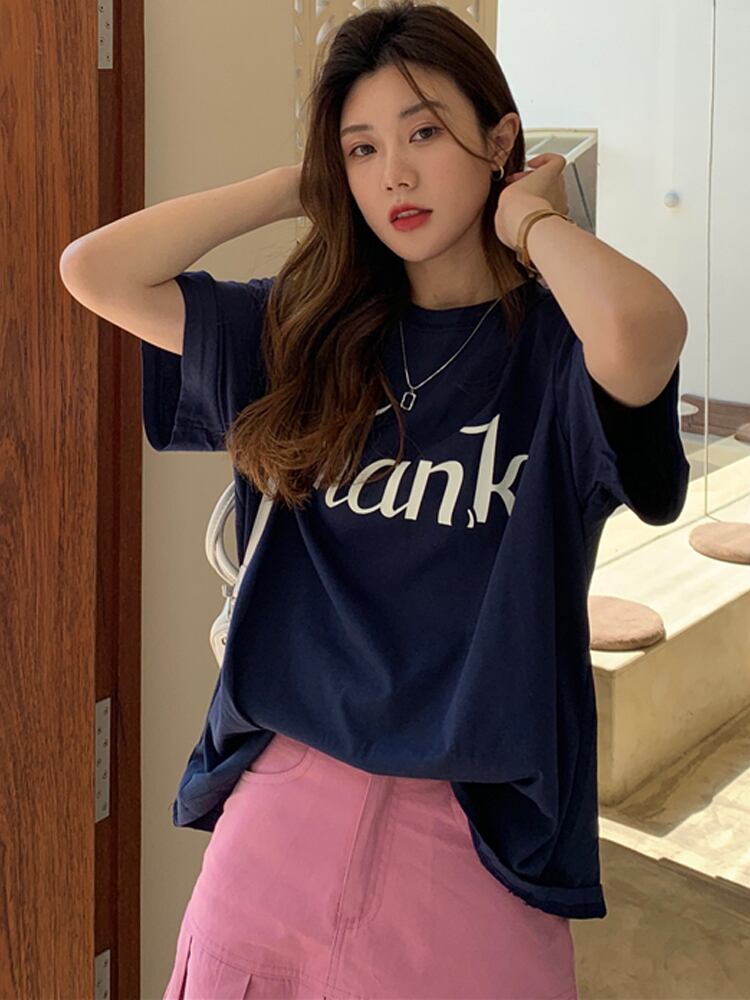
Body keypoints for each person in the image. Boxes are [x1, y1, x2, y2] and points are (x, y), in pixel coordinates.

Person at [60, 2, 690, 996]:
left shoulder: (558, 353)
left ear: (500, 139)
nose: (393, 174)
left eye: (424, 133)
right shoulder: (308, 335)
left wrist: (532, 221)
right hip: (280, 818)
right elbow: (94, 270)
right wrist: (302, 182)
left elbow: (645, 330)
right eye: (363, 148)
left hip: (473, 847)